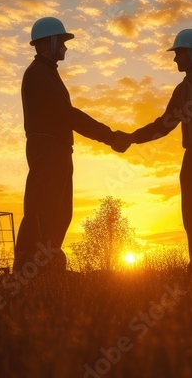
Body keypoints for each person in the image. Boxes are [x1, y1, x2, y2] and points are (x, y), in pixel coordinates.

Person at [114, 28, 192, 278]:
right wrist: (132, 138)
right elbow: (164, 125)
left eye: (179, 53)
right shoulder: (181, 90)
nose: (175, 59)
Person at [14, 17, 123, 274]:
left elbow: (66, 114)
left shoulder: (46, 73)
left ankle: (45, 267)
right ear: (51, 42)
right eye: (62, 42)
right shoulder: (40, 73)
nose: (65, 47)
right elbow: (68, 115)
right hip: (49, 149)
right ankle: (31, 269)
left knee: (58, 212)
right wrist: (110, 136)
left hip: (57, 149)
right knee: (44, 210)